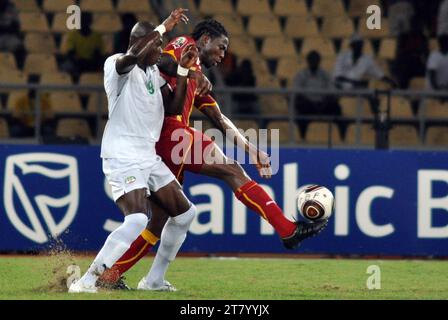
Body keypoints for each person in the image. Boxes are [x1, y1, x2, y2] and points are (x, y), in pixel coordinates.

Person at [98, 19, 328, 291]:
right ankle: (287, 230)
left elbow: (220, 119)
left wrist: (251, 149)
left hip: (164, 143)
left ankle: (118, 276)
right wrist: (190, 71)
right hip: (170, 134)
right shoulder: (186, 44)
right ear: (205, 39)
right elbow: (157, 61)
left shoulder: (198, 81)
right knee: (231, 170)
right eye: (221, 48)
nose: (222, 56)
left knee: (162, 219)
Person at [68, 9, 199, 293]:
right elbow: (134, 56)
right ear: (141, 43)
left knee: (186, 214)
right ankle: (87, 280)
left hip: (147, 156)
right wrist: (164, 27)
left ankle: (153, 280)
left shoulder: (153, 72)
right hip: (122, 155)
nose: (161, 52)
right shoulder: (117, 65)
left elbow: (174, 108)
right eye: (157, 46)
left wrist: (184, 71)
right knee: (138, 218)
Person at [293, 50, 342, 138]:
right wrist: (310, 102)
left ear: (319, 61)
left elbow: (331, 91)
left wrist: (324, 102)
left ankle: (340, 137)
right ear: (308, 61)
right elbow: (298, 92)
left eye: (316, 60)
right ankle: (302, 137)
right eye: (312, 60)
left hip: (323, 104)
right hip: (308, 105)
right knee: (300, 106)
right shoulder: (301, 75)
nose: (314, 62)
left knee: (337, 108)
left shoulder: (325, 75)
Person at [61, 12, 105, 80]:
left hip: (92, 63)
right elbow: (71, 53)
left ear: (90, 21)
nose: (84, 22)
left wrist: (91, 62)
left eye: (86, 20)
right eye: (82, 20)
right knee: (67, 66)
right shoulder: (73, 35)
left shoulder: (96, 36)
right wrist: (79, 61)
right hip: (77, 63)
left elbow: (98, 54)